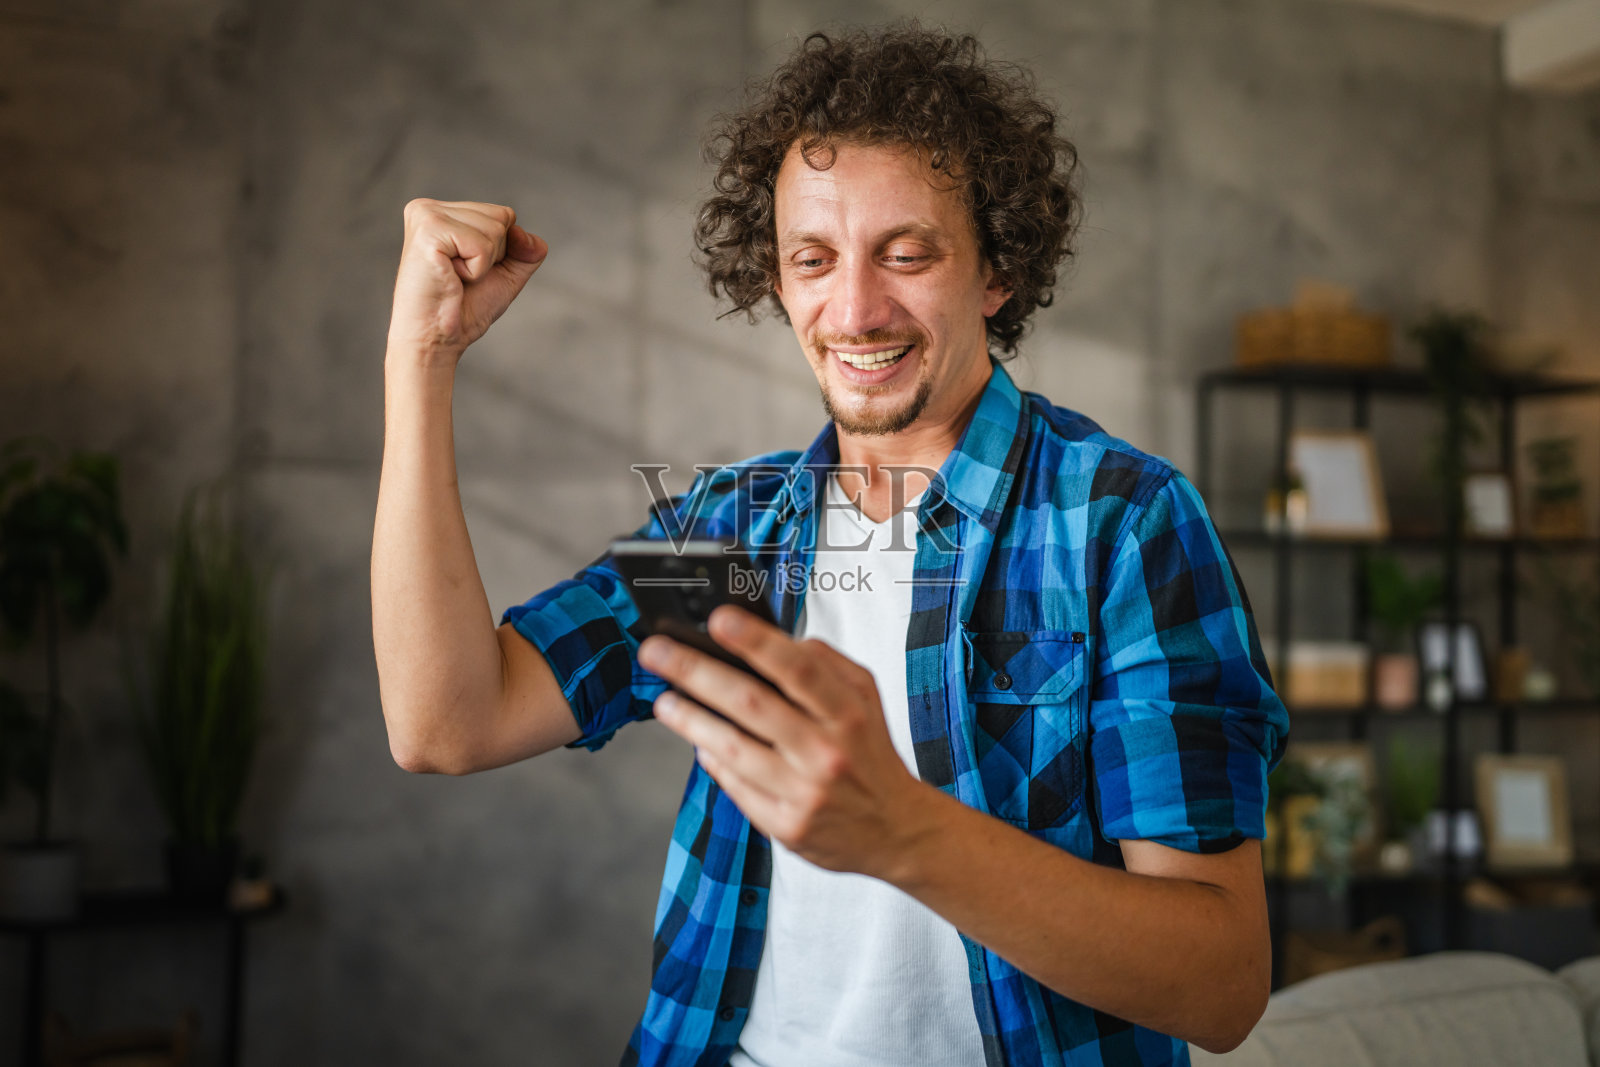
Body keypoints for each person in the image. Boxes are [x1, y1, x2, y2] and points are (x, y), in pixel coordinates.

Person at [372, 25, 1289, 1067]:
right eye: (813, 259)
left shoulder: (1122, 522)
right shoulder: (732, 531)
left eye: (906, 253)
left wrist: (904, 828)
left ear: (997, 269)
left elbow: (1221, 985)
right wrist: (422, 354)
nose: (853, 309)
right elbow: (446, 721)